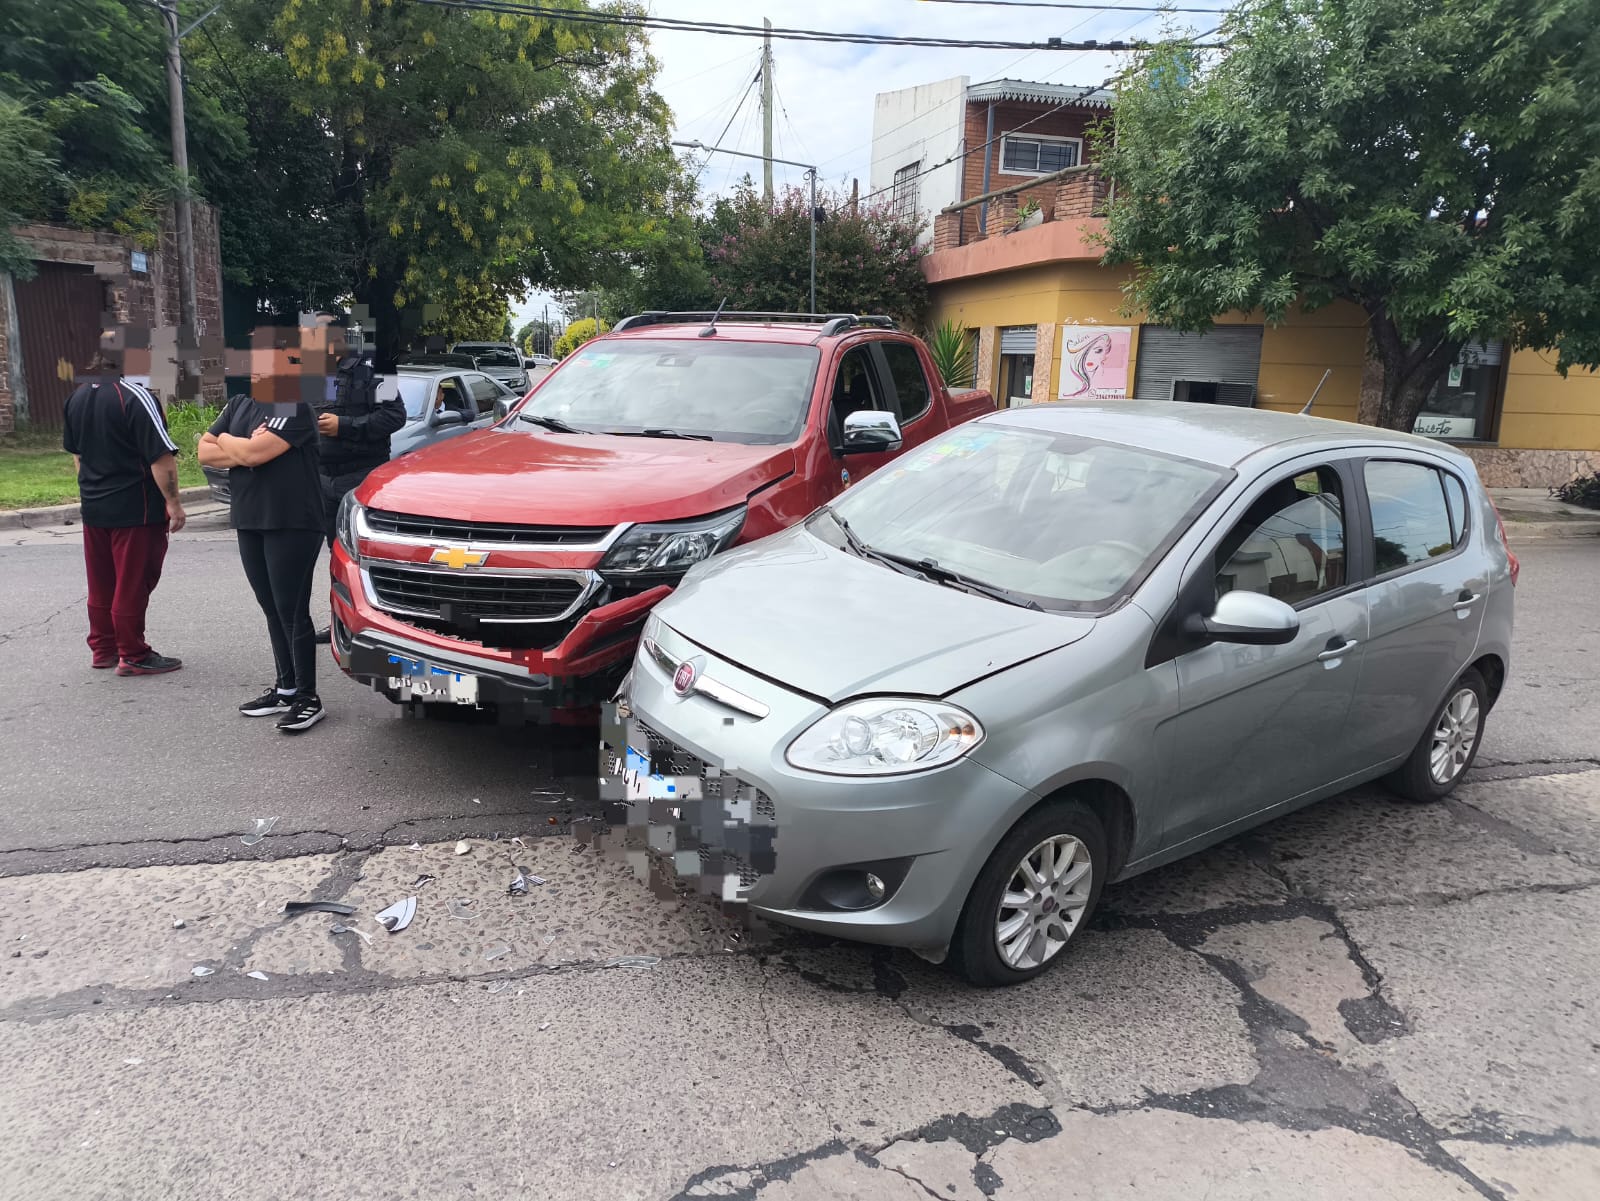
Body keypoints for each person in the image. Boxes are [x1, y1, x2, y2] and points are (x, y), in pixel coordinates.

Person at [198, 324, 328, 733]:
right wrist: (243, 448)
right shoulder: (239, 404)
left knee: (292, 611)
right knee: (270, 607)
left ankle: (308, 698)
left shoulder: (295, 407)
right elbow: (204, 449)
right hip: (251, 519)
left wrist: (234, 447)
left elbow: (254, 453)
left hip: (292, 521)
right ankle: (285, 689)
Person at [61, 345, 187, 676]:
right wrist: (173, 504)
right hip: (136, 509)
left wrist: (92, 490)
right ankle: (133, 653)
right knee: (133, 581)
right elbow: (160, 457)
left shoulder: (77, 397)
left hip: (95, 506)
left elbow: (77, 455)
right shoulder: (135, 396)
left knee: (101, 581)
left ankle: (103, 648)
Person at [309, 313, 405, 644]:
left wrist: (345, 426)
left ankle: (380, 624)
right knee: (336, 554)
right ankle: (339, 618)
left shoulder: (377, 368)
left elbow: (395, 416)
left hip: (360, 477)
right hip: (323, 479)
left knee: (364, 555)